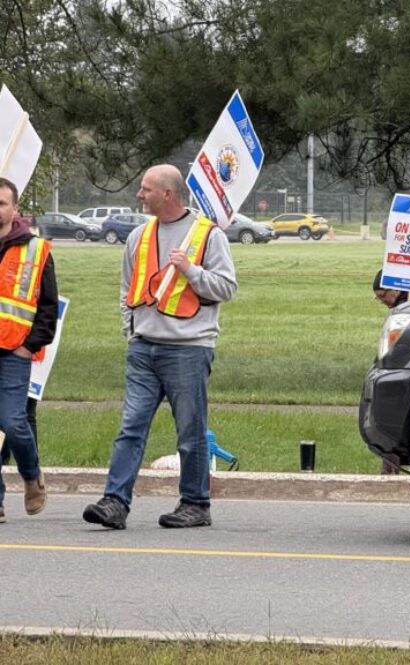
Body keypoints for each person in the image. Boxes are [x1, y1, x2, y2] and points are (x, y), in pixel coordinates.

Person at [83, 164, 237, 530]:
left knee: (190, 431)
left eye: (146, 189)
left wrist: (189, 270)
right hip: (143, 349)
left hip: (189, 349)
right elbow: (126, 288)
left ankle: (195, 504)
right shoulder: (139, 235)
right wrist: (131, 331)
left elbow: (226, 288)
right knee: (130, 428)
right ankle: (114, 502)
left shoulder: (207, 236)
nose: (139, 195)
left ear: (168, 193)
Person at [0, 180, 57, 525]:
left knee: (12, 422)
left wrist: (28, 346)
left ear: (14, 209)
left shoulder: (36, 250)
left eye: (2, 203)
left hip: (14, 352)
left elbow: (47, 307)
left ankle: (31, 475)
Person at [370, 268, 410, 473]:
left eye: (383, 296)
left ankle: (390, 468)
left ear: (396, 289)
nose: (383, 301)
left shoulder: (409, 309)